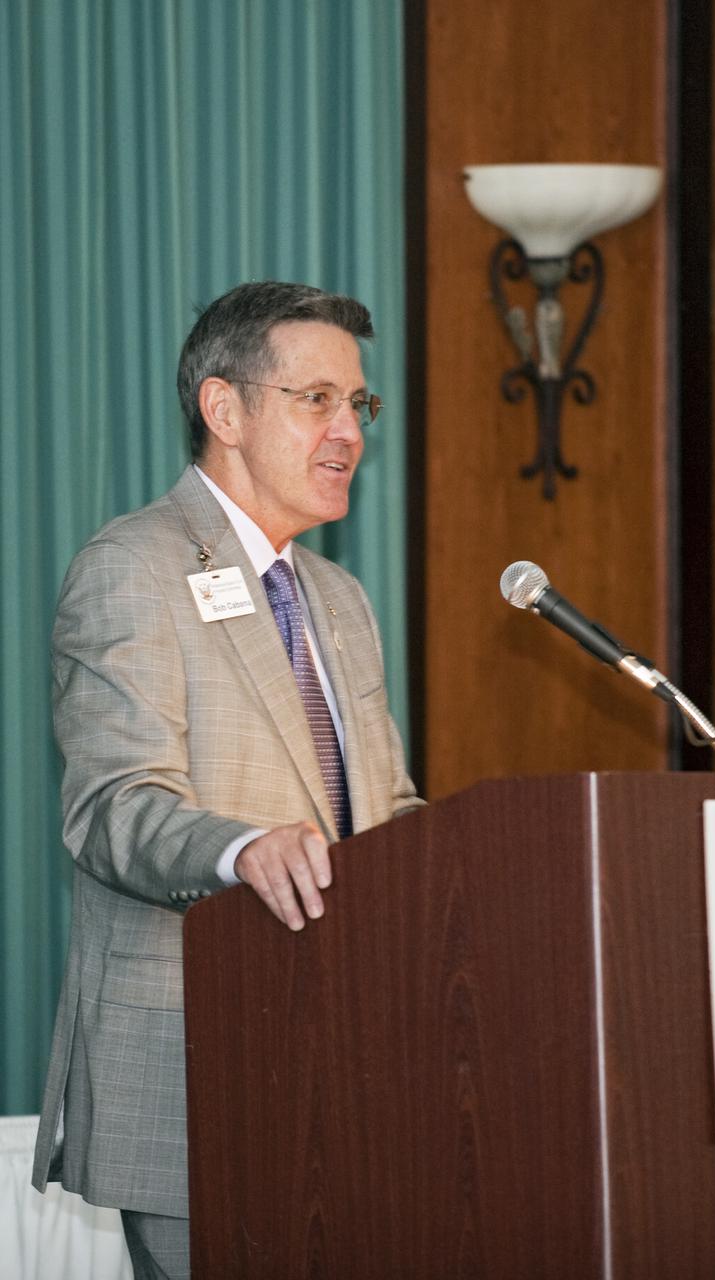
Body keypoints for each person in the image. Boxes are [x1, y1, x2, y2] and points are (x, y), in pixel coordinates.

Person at [32, 281, 422, 1279]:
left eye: (358, 404)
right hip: (198, 1066)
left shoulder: (338, 597)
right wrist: (242, 848)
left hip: (345, 1065)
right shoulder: (132, 566)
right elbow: (112, 807)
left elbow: (385, 813)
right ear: (225, 409)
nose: (349, 432)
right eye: (317, 399)